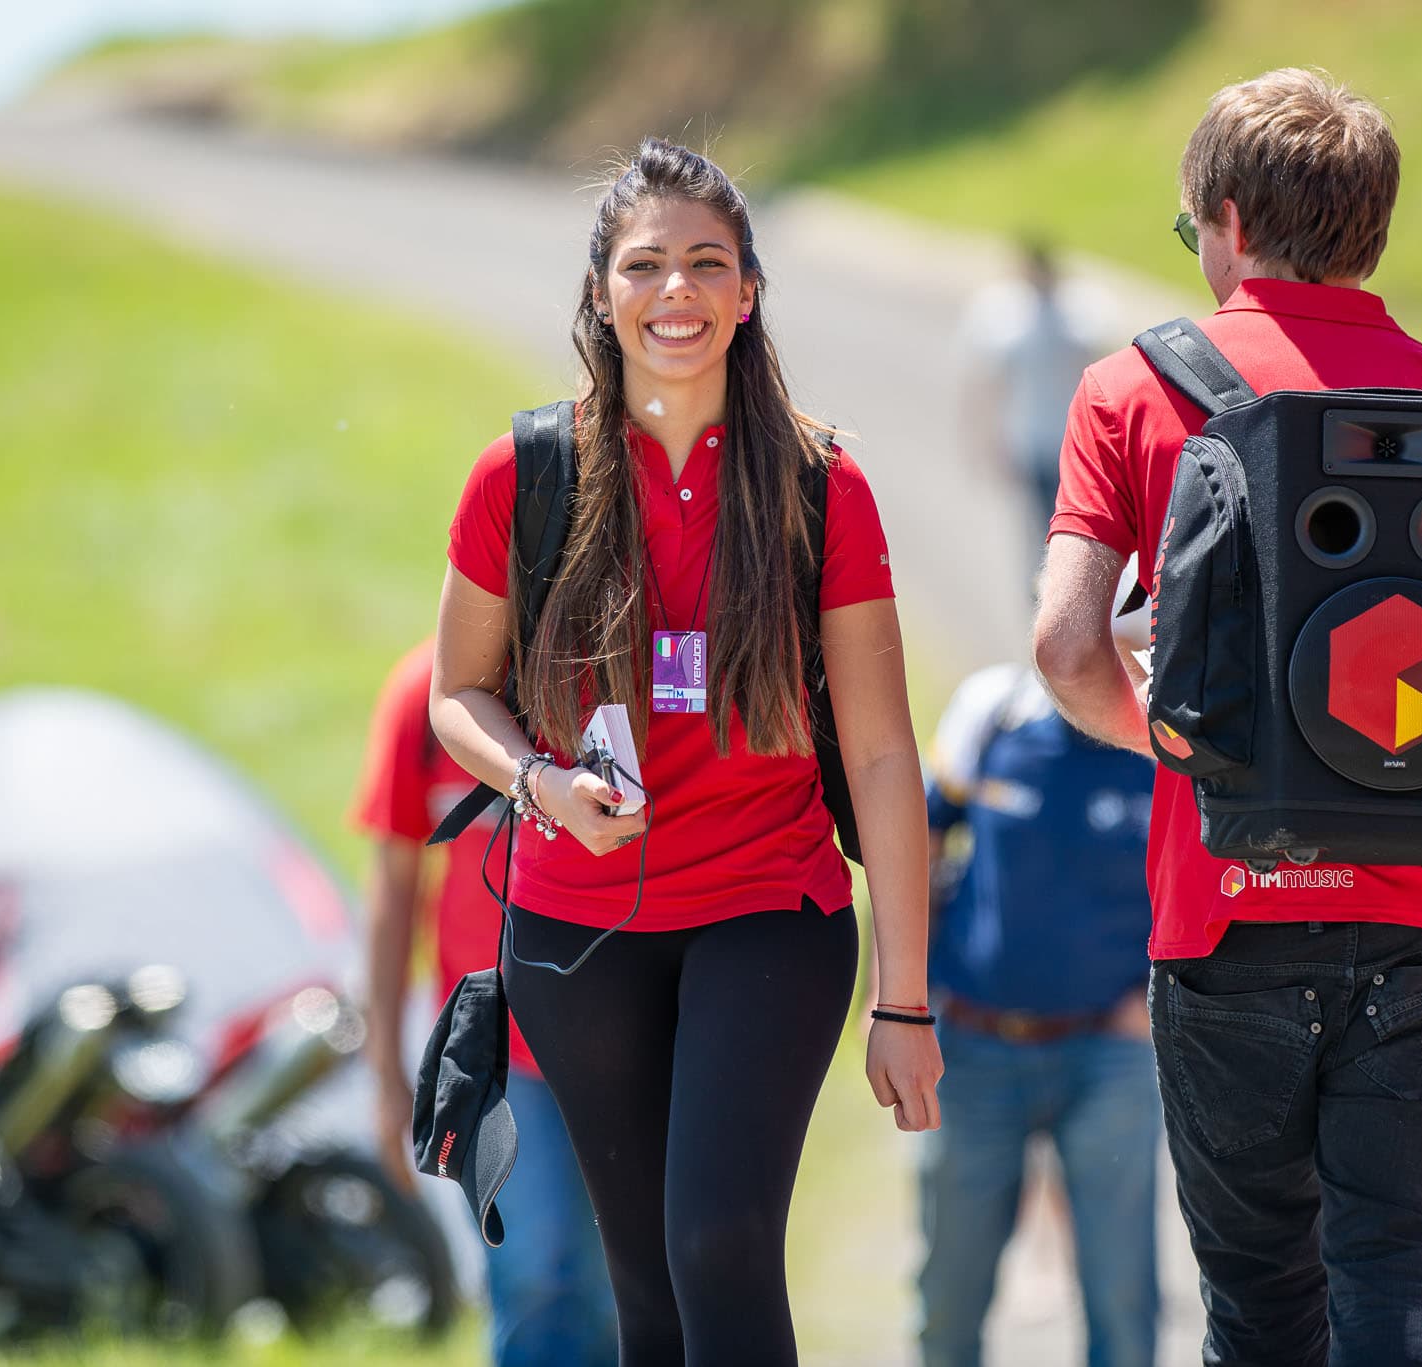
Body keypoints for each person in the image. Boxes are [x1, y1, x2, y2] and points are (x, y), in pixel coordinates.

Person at [1033, 68, 1422, 1365]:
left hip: (1225, 902)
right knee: (1398, 1269)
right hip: (1421, 916)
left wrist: (1189, 750)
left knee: (1260, 1304)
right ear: (1376, 228)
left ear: (1228, 220)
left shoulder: (1134, 391)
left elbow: (1067, 646)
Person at [430, 138, 943, 1367]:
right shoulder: (523, 474)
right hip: (573, 930)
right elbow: (458, 694)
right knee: (645, 1288)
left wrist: (904, 996)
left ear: (749, 290)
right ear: (601, 293)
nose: (676, 292)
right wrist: (542, 784)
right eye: (644, 264)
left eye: (706, 263)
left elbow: (879, 757)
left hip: (769, 908)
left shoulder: (825, 489)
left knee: (717, 1241)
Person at [917, 581, 1160, 1367]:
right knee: (948, 1300)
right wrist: (899, 994)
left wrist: (1155, 1003)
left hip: (1109, 1055)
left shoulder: (1172, 744)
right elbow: (916, 842)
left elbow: (1215, 885)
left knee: (1124, 1303)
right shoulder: (993, 710)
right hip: (974, 1046)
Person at [352, 639, 615, 1367]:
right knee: (530, 1273)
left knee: (613, 1290)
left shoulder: (614, 672)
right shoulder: (424, 692)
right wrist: (384, 1074)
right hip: (496, 1054)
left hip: (623, 1038)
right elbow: (392, 894)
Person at [959, 241, 1103, 553]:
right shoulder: (1015, 324)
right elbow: (990, 386)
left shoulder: (1074, 321)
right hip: (1033, 442)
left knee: (1066, 526)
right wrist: (985, 439)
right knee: (1047, 527)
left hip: (1067, 440)